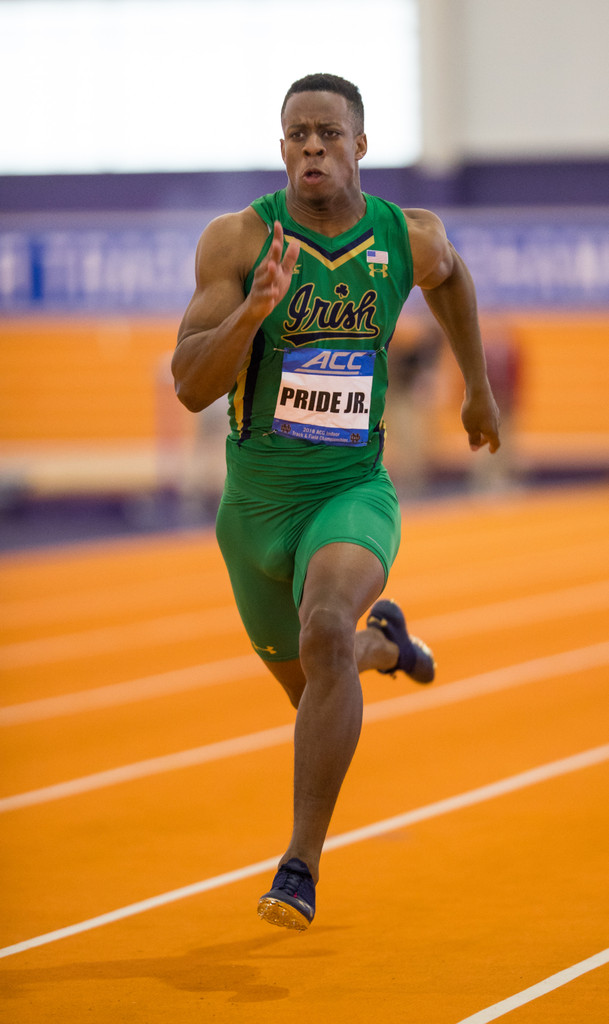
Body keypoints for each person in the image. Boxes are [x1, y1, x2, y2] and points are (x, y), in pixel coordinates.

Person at [172, 73, 500, 932]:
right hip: (253, 511)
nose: (310, 146)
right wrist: (252, 314)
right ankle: (384, 649)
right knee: (320, 677)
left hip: (350, 490)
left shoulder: (406, 235)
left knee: (323, 630)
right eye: (295, 135)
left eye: (326, 132)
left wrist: (476, 385)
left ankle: (298, 868)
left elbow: (453, 278)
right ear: (282, 147)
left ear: (359, 143)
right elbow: (187, 388)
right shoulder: (238, 242)